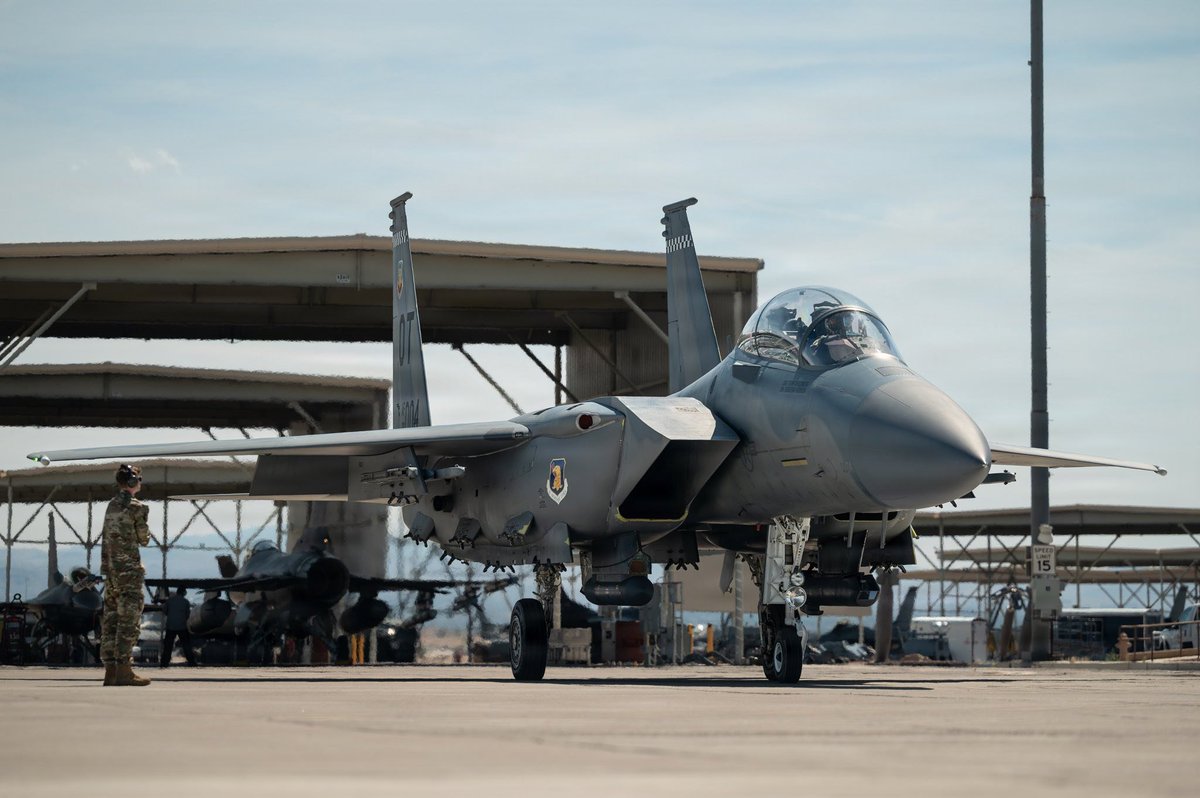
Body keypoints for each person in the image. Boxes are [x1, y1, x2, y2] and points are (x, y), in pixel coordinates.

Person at [99, 464, 151, 686]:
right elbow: (144, 539)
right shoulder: (137, 508)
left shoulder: (111, 506)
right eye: (138, 480)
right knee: (128, 621)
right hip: (128, 573)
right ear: (132, 483)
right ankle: (124, 670)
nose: (140, 483)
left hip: (110, 573)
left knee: (110, 620)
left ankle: (110, 671)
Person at [160, 587, 197, 667]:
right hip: (182, 626)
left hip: (170, 626)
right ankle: (192, 662)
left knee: (168, 646)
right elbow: (187, 615)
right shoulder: (186, 602)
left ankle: (164, 662)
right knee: (186, 645)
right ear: (184, 593)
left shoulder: (170, 601)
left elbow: (165, 611)